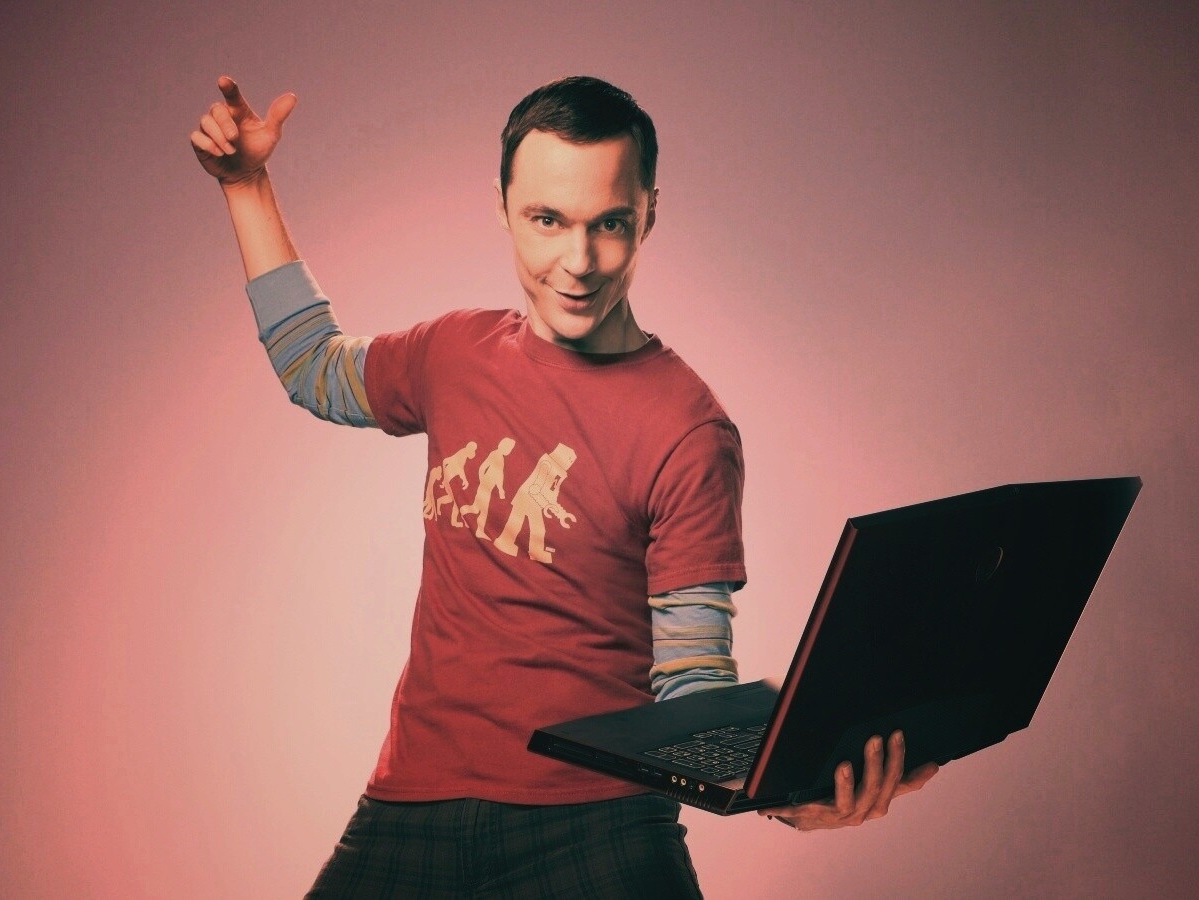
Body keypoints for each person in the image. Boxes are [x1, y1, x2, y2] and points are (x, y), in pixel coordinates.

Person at [191, 73, 937, 898]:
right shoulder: (452, 353)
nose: (578, 263)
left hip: (600, 823)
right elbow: (315, 369)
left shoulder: (689, 429)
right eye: (547, 220)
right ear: (503, 208)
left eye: (609, 224)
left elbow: (691, 677)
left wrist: (787, 790)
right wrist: (246, 186)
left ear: (649, 214)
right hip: (411, 806)